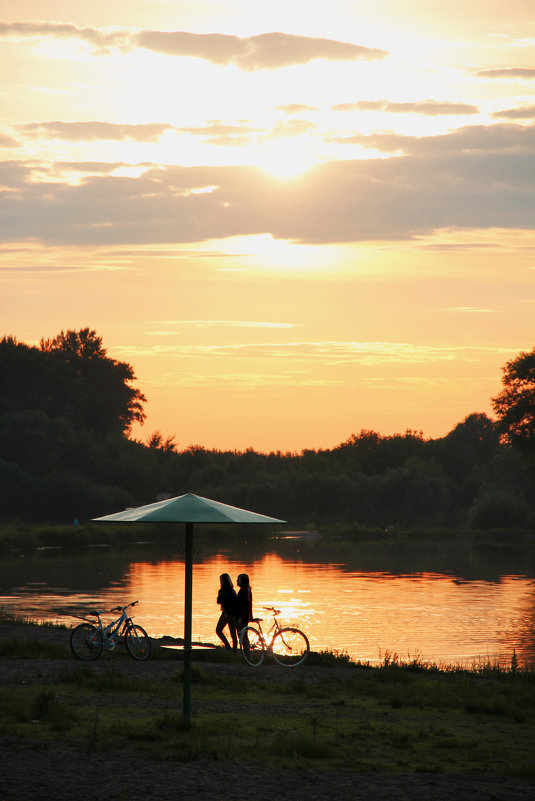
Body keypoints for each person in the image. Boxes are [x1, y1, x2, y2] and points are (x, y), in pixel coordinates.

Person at [215, 573, 238, 652]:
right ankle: (228, 647)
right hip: (225, 614)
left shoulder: (231, 592)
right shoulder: (222, 591)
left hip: (230, 615)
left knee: (233, 634)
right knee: (218, 630)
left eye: (221, 580)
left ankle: (233, 651)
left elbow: (231, 603)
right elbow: (219, 601)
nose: (220, 582)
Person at [235, 573, 253, 650]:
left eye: (238, 579)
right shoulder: (246, 590)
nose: (237, 581)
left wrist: (240, 618)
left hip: (242, 617)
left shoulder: (244, 591)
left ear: (242, 581)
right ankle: (246, 653)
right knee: (243, 636)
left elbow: (244, 605)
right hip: (244, 616)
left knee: (243, 636)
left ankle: (246, 653)